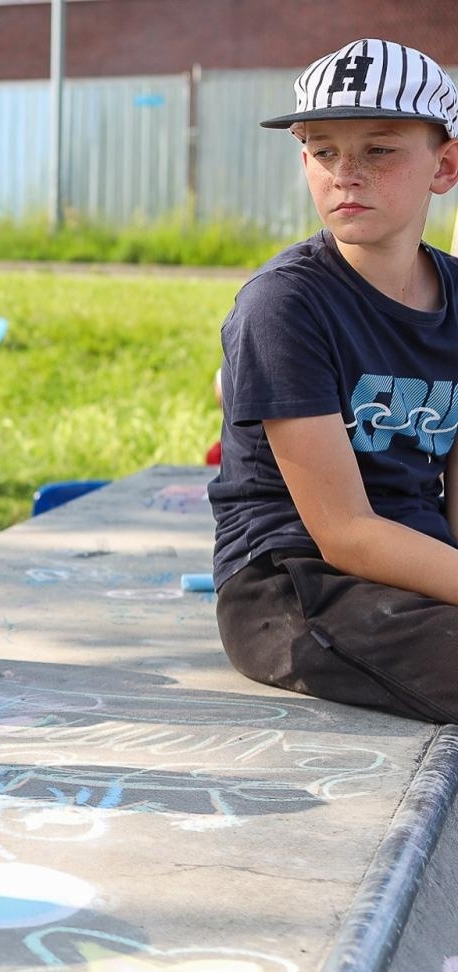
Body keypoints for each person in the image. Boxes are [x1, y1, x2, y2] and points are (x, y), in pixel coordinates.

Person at [208, 39, 458, 721]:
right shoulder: (283, 305)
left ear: (446, 165)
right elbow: (344, 531)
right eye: (324, 150)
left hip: (424, 569)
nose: (347, 174)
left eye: (379, 150)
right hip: (294, 583)